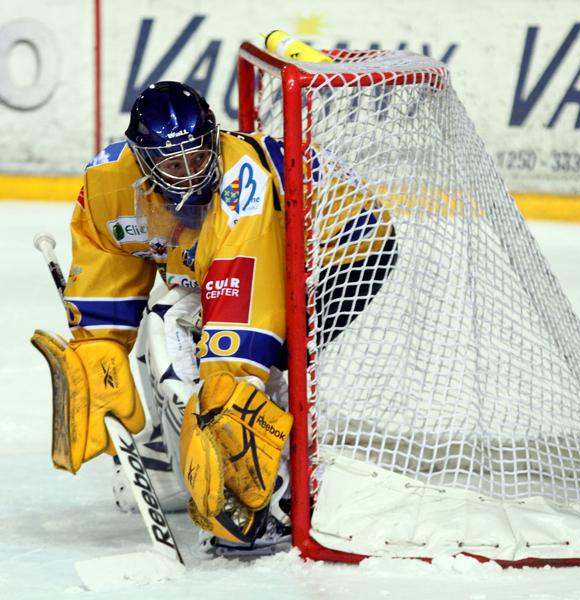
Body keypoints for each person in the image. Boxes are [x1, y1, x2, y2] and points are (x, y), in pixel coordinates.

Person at [31, 81, 397, 555]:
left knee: (231, 363)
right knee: (166, 319)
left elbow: (241, 308)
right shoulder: (110, 182)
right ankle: (169, 457)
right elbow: (109, 260)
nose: (189, 175)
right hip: (268, 248)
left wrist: (226, 406)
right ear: (142, 159)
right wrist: (100, 341)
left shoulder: (241, 184)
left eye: (199, 157)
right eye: (172, 165)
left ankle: (269, 500)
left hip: (344, 252)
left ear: (213, 139)